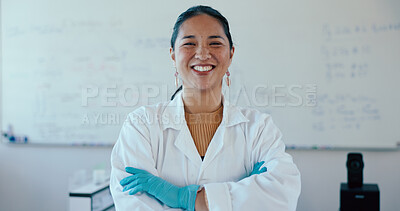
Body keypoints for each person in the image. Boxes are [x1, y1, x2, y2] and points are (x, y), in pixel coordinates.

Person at [110, 5, 301, 211]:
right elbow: (133, 204)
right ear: (173, 55)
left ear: (231, 54)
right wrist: (238, 196)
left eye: (215, 43)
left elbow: (283, 194)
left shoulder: (259, 128)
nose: (202, 53)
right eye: (189, 43)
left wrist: (186, 198)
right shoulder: (141, 125)